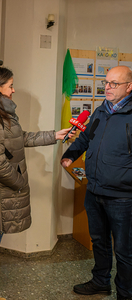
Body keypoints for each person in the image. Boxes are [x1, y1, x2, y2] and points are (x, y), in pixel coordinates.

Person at [0, 66, 75, 300]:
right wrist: (20, 183)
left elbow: (21, 137)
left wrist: (55, 135)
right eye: (10, 86)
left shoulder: (1, 115)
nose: (14, 90)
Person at [61, 65, 132, 300]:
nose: (108, 87)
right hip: (94, 190)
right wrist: (70, 154)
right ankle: (101, 282)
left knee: (124, 251)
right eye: (106, 82)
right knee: (99, 242)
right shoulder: (101, 110)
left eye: (114, 83)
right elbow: (85, 137)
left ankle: (125, 292)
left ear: (129, 87)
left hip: (123, 197)